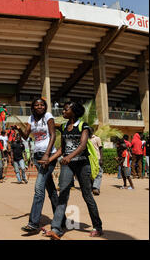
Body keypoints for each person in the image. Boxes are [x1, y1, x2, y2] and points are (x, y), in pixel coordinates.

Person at [44, 101, 103, 239]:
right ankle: (56, 228)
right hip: (68, 164)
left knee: (87, 195)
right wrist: (50, 159)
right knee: (63, 194)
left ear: (74, 112)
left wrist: (69, 157)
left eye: (65, 110)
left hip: (83, 164)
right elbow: (62, 149)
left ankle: (98, 226)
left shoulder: (83, 126)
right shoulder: (64, 127)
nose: (63, 112)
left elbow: (82, 145)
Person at [12, 98, 59, 234]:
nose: (40, 106)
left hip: (48, 156)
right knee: (50, 189)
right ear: (32, 107)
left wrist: (47, 155)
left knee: (39, 189)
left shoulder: (48, 116)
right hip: (37, 155)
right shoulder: (31, 118)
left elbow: (53, 134)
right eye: (37, 105)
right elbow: (26, 136)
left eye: (42, 105)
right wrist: (19, 130)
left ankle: (33, 223)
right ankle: (60, 218)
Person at [89, 128, 103, 195]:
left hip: (97, 158)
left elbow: (100, 148)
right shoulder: (85, 139)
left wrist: (101, 159)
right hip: (89, 159)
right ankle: (94, 188)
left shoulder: (97, 138)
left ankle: (95, 188)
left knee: (98, 173)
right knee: (91, 174)